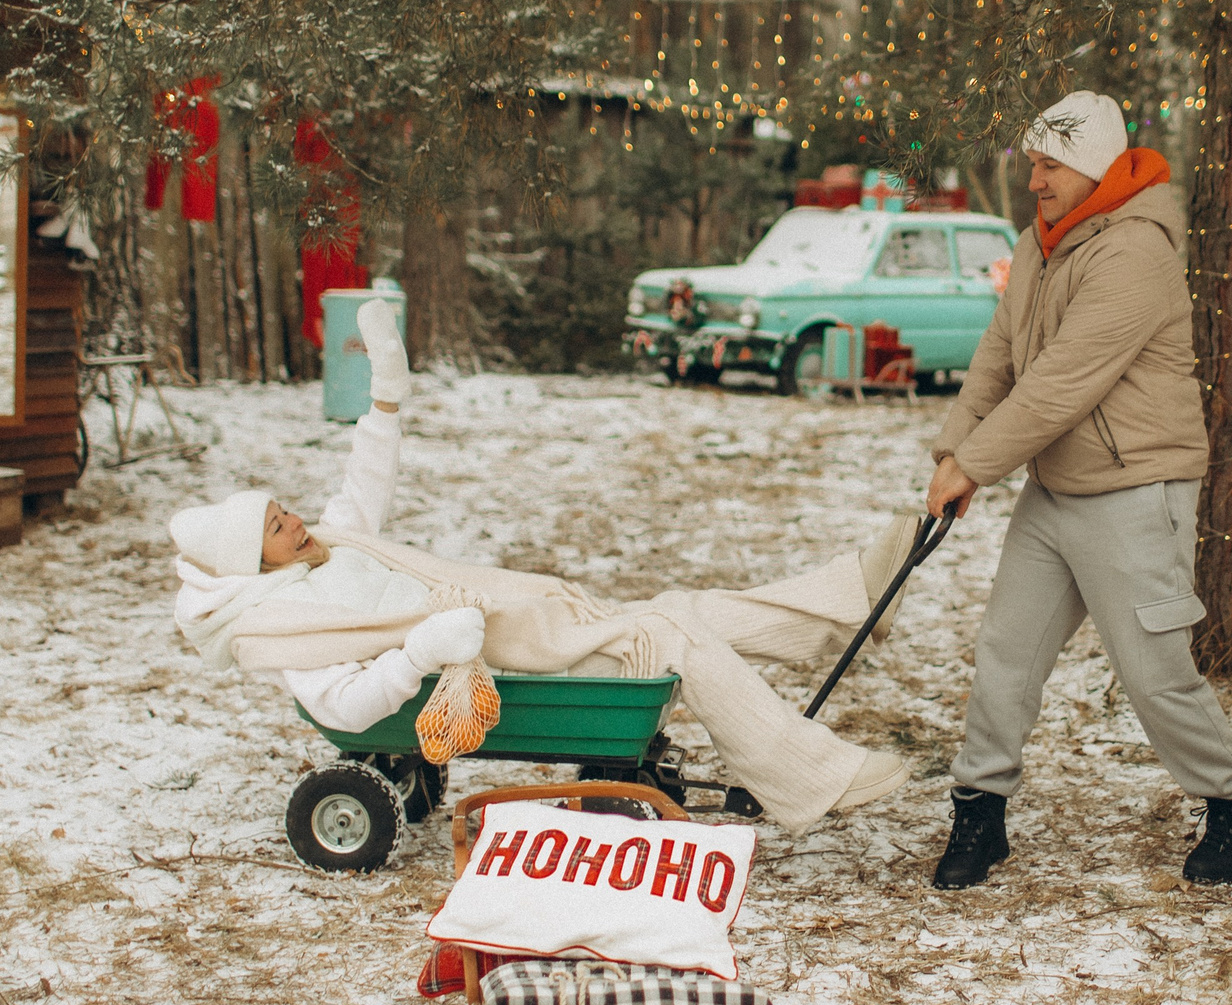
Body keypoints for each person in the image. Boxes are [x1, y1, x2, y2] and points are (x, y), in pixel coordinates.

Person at [169, 299, 914, 831]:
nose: (294, 519)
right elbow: (347, 708)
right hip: (521, 668)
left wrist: (387, 395)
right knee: (675, 634)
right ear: (250, 566)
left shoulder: (334, 545)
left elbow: (368, 477)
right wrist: (423, 648)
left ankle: (849, 597)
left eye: (283, 508)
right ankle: (810, 778)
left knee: (682, 607)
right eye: (275, 526)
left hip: (527, 630)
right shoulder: (289, 626)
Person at [922, 90, 1232, 889]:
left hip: (1134, 489)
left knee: (1153, 675)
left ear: (1094, 170)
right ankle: (980, 814)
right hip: (1055, 490)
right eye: (1033, 164)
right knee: (1006, 653)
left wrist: (975, 465)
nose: (1033, 181)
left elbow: (1058, 385)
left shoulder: (1135, 252)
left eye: (1049, 167)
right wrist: (952, 449)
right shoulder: (1040, 243)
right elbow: (1000, 357)